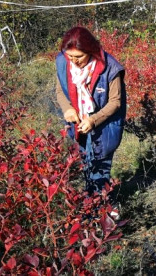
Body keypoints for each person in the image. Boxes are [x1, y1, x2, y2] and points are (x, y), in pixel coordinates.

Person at [55, 26, 126, 199]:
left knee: (100, 168)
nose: (74, 61)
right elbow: (59, 90)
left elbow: (115, 102)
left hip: (104, 127)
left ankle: (101, 212)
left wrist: (93, 120)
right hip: (78, 126)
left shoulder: (109, 67)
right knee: (85, 165)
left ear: (91, 51)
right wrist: (68, 109)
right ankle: (93, 206)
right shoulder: (63, 62)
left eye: (79, 56)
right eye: (70, 56)